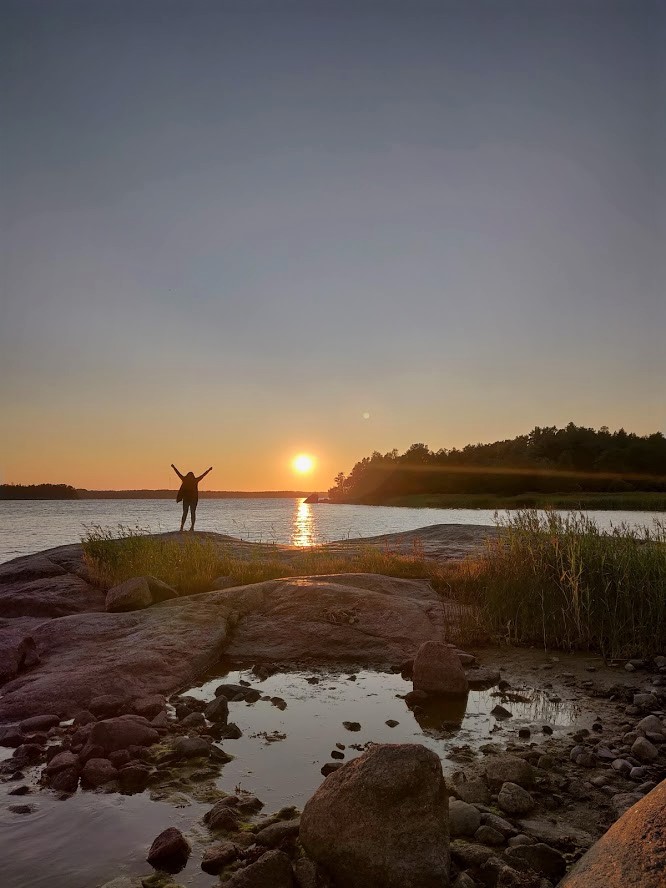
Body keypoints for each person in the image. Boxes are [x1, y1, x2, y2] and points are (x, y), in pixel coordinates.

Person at [171, 464, 213, 531]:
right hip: (191, 500)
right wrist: (209, 470)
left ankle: (184, 527)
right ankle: (190, 527)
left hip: (188, 499)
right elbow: (203, 475)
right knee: (191, 513)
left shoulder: (185, 479)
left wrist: (173, 467)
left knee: (186, 513)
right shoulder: (194, 480)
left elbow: (178, 473)